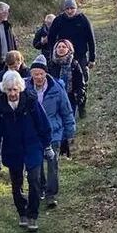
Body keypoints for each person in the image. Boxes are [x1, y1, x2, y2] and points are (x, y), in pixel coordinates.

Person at [0, 71, 54, 233]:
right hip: (12, 148)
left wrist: (47, 146)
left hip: (33, 146)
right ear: (4, 89)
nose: (12, 93)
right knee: (16, 184)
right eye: (9, 90)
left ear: (20, 89)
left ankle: (33, 215)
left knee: (34, 180)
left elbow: (43, 124)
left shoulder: (30, 101)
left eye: (15, 90)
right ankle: (22, 212)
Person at [27, 55, 76, 210]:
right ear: (31, 75)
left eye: (41, 74)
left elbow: (66, 111)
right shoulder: (25, 88)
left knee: (52, 163)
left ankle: (51, 195)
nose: (38, 77)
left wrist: (70, 132)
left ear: (45, 74)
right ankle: (41, 188)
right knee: (37, 163)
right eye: (35, 74)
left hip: (53, 131)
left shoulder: (56, 88)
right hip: (34, 133)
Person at [46, 0, 96, 116]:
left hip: (80, 55)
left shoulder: (83, 19)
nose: (70, 11)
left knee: (82, 81)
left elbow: (91, 39)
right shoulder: (58, 20)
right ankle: (64, 107)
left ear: (76, 8)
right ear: (64, 9)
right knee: (64, 82)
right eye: (67, 9)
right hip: (63, 56)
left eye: (72, 8)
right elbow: (51, 38)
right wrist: (52, 55)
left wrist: (92, 58)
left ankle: (82, 106)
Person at [47, 39, 86, 120]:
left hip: (70, 98)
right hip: (54, 99)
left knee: (69, 122)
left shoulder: (74, 65)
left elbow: (80, 82)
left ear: (69, 49)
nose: (61, 49)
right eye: (59, 47)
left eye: (64, 47)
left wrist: (79, 96)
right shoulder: (50, 65)